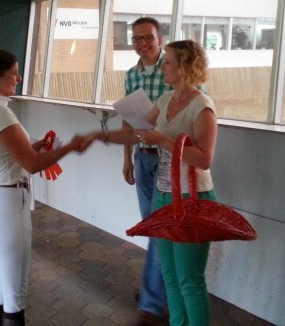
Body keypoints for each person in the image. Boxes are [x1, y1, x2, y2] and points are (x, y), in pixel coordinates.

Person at [86, 40, 217, 326]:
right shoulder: (165, 100)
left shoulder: (202, 106)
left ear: (184, 67)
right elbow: (138, 133)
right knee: (170, 277)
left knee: (189, 280)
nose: (163, 67)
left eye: (168, 62)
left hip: (192, 199)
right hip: (163, 195)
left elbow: (204, 159)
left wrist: (164, 141)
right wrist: (101, 136)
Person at [0, 49, 88, 326]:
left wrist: (35, 146)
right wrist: (71, 147)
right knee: (15, 292)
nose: (19, 77)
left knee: (1, 290)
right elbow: (32, 164)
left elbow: (15, 154)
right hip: (6, 203)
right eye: (14, 72)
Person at [124, 17, 172, 325]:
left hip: (169, 159)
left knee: (159, 229)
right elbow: (128, 118)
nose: (143, 44)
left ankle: (152, 303)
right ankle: (160, 290)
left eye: (148, 38)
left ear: (160, 38)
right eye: (137, 39)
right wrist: (126, 158)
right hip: (142, 158)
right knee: (154, 228)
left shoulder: (175, 68)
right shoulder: (131, 75)